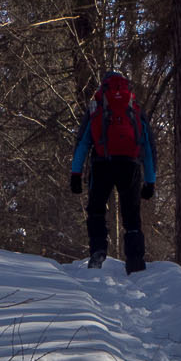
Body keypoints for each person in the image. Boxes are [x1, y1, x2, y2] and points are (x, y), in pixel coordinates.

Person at [69, 70, 157, 271]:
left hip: (102, 163)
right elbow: (148, 147)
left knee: (96, 210)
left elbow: (83, 143)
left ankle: (98, 251)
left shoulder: (97, 107)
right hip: (130, 165)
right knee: (132, 215)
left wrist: (76, 174)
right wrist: (150, 181)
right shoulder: (134, 108)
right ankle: (135, 261)